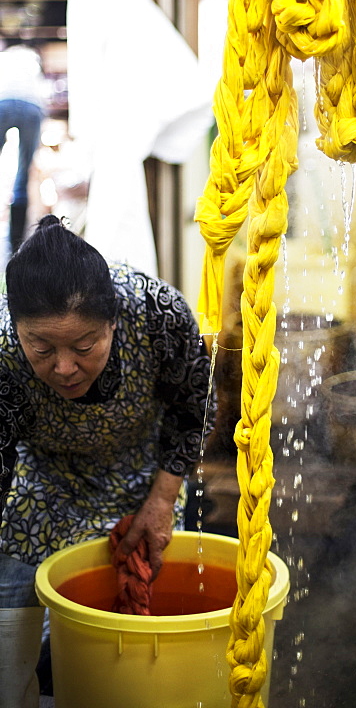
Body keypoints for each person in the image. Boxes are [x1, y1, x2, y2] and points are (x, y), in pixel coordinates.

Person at [0, 215, 216, 708]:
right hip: (42, 479)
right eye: (42, 347)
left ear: (114, 321)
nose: (64, 367)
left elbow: (195, 407)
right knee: (11, 623)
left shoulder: (156, 312)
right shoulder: (0, 349)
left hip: (143, 475)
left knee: (133, 622)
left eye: (84, 346)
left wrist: (162, 501)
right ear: (17, 330)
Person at [0, 40, 46, 255]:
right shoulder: (32, 57)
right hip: (31, 105)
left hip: (3, 100)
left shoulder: (4, 57)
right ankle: (15, 248)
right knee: (22, 176)